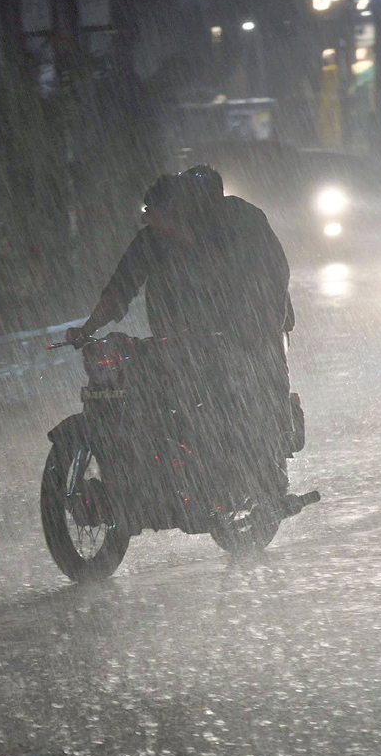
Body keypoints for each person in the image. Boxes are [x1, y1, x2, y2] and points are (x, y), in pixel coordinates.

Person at [67, 165, 295, 508]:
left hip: (250, 328)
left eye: (158, 218)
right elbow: (119, 289)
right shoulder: (153, 241)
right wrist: (88, 328)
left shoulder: (240, 225)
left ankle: (263, 471)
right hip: (181, 334)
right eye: (149, 218)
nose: (151, 226)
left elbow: (272, 275)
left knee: (251, 393)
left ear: (181, 214)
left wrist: (256, 328)